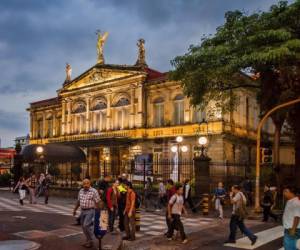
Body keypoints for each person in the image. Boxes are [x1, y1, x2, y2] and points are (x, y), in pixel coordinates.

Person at [73, 178, 101, 248]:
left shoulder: (94, 191)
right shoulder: (81, 191)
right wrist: (75, 210)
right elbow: (78, 201)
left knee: (86, 225)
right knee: (83, 227)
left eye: (87, 183)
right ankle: (88, 240)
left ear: (90, 184)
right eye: (84, 183)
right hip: (82, 211)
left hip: (90, 210)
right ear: (82, 184)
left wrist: (99, 213)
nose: (85, 185)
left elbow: (98, 202)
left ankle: (91, 239)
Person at [282, 185, 300, 250]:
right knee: (289, 245)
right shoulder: (289, 201)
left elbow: (297, 217)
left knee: (289, 247)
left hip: (292, 228)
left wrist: (293, 229)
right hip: (288, 227)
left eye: (286, 191)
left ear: (292, 192)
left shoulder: (296, 203)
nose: (284, 193)